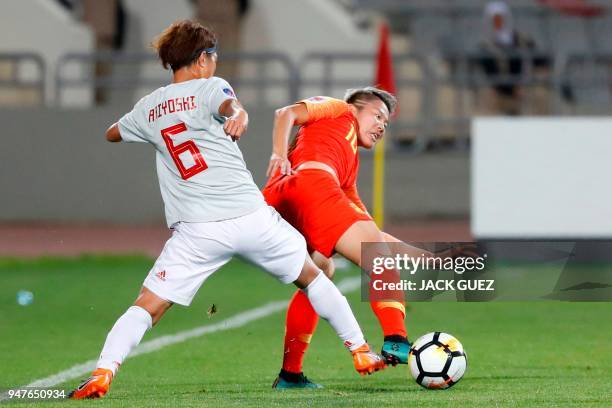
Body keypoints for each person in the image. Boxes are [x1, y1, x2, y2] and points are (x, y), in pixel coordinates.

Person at [68, 20, 385, 400]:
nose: (215, 64)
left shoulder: (148, 106)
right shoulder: (211, 87)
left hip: (197, 230)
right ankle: (360, 350)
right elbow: (230, 106)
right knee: (313, 277)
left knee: (148, 306)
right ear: (202, 59)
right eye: (213, 57)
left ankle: (104, 371)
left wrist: (146, 124)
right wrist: (237, 113)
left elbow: (112, 132)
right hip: (250, 217)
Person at [263, 88, 418, 389]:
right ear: (356, 108)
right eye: (377, 116)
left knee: (320, 273)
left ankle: (290, 375)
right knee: (377, 258)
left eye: (386, 123)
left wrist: (429, 257)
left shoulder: (346, 169)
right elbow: (286, 113)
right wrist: (278, 154)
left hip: (285, 200)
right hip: (308, 185)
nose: (382, 126)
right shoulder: (339, 109)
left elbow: (372, 234)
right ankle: (396, 339)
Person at [477, 1, 551, 115]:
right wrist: (513, 89)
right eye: (495, 20)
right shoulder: (485, 48)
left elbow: (540, 62)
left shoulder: (523, 41)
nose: (498, 23)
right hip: (501, 96)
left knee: (541, 96)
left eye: (501, 19)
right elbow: (492, 75)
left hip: (525, 92)